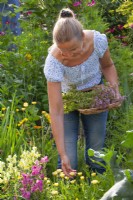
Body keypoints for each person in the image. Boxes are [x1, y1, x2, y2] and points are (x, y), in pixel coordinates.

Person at [44, 8, 120, 177]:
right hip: (68, 100)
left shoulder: (97, 41)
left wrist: (114, 89)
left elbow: (107, 66)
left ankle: (98, 181)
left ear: (83, 38)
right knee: (68, 156)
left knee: (96, 147)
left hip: (95, 96)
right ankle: (66, 183)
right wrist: (62, 154)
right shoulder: (53, 62)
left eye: (73, 50)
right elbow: (56, 111)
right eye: (62, 51)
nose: (67, 55)